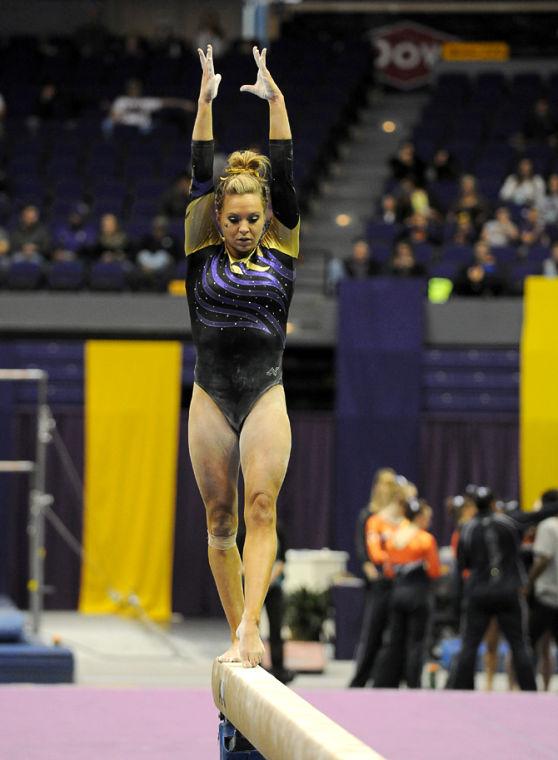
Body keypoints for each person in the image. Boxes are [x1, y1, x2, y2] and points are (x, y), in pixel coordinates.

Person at [185, 45, 299, 668]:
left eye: (255, 217)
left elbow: (282, 170)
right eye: (234, 218)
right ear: (219, 219)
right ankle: (237, 633)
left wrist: (276, 103)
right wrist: (205, 104)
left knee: (261, 504)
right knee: (221, 516)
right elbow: (201, 171)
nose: (245, 226)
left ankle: (253, 629)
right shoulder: (200, 249)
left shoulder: (282, 248)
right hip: (210, 392)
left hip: (264, 390)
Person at [448, 486, 558, 691]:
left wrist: (458, 602)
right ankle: (529, 690)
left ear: (475, 506)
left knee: (470, 643)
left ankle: (460, 690)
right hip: (508, 590)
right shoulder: (508, 522)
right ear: (493, 504)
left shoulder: (468, 529)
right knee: (519, 643)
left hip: (479, 590)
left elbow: (462, 565)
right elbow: (537, 515)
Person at [373, 499, 441, 688]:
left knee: (395, 640)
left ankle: (388, 681)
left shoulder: (394, 537)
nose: (429, 521)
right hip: (418, 594)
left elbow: (388, 569)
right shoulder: (425, 539)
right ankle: (413, 682)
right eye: (427, 517)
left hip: (397, 593)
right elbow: (435, 571)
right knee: (417, 641)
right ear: (419, 517)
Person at [349, 476, 407, 687]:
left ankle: (386, 679)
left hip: (396, 581)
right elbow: (363, 545)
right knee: (372, 632)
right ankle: (360, 679)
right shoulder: (370, 516)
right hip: (377, 580)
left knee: (394, 634)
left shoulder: (398, 517)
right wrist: (367, 567)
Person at [527, 489, 558, 688]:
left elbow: (543, 558)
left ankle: (522, 687)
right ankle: (545, 686)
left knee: (527, 644)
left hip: (546, 595)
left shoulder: (547, 526)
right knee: (545, 647)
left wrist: (528, 582)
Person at [103, 78, 194, 136]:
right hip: (123, 131)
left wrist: (184, 104)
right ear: (128, 89)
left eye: (136, 88)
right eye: (132, 88)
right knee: (107, 124)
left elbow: (167, 102)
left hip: (142, 133)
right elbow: (113, 116)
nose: (134, 90)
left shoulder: (145, 101)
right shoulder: (122, 100)